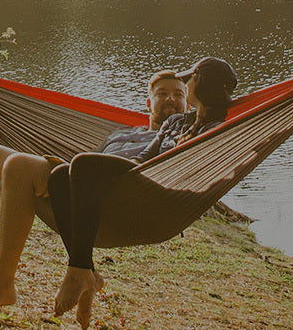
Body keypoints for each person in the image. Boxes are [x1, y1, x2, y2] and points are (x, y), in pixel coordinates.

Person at [0, 70, 191, 318]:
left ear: (188, 105)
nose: (171, 99)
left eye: (179, 95)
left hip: (122, 204)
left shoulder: (181, 136)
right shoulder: (121, 133)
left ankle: (2, 285)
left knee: (18, 167)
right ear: (148, 103)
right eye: (162, 94)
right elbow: (88, 163)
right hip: (78, 187)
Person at [47, 56, 238, 327]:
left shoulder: (216, 130)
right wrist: (120, 169)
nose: (186, 85)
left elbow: (210, 166)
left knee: (82, 164)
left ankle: (79, 271)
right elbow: (146, 156)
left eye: (190, 80)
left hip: (163, 195)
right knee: (58, 177)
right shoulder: (176, 122)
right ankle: (84, 270)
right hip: (142, 177)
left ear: (202, 86)